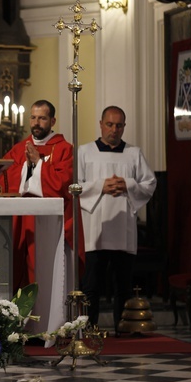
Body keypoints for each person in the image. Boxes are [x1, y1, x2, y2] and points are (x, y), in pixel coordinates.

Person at [78, 106, 157, 333]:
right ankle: (89, 329)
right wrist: (101, 186)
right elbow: (74, 185)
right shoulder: (84, 152)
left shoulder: (134, 153)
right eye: (110, 124)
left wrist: (128, 185)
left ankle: (123, 328)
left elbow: (150, 183)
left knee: (122, 285)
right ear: (101, 124)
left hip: (123, 227)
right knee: (91, 285)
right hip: (95, 228)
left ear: (124, 126)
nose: (114, 129)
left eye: (119, 125)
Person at [0, 100, 79, 290]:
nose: (36, 122)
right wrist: (28, 166)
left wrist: (37, 163)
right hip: (21, 222)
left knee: (49, 277)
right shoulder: (19, 149)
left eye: (42, 118)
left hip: (52, 224)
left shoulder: (64, 149)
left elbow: (63, 183)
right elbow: (3, 180)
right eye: (33, 118)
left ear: (52, 120)